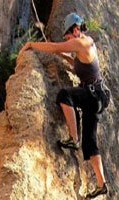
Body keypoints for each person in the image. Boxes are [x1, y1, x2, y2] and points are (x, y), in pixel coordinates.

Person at [20, 13, 109, 198]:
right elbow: (76, 64)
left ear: (75, 30)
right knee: (91, 144)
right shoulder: (85, 43)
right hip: (97, 97)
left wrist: (31, 45)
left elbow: (53, 47)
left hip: (93, 95)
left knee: (64, 95)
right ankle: (102, 185)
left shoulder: (81, 42)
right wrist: (62, 54)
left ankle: (73, 139)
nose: (67, 40)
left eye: (67, 37)